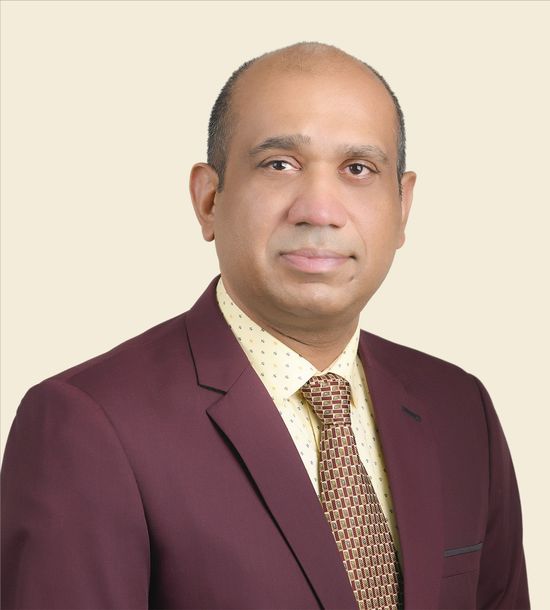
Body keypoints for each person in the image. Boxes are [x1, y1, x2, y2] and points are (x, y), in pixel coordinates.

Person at [1, 42, 529, 610]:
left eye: (358, 169)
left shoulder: (458, 405)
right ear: (208, 199)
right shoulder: (85, 424)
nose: (319, 209)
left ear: (402, 206)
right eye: (279, 164)